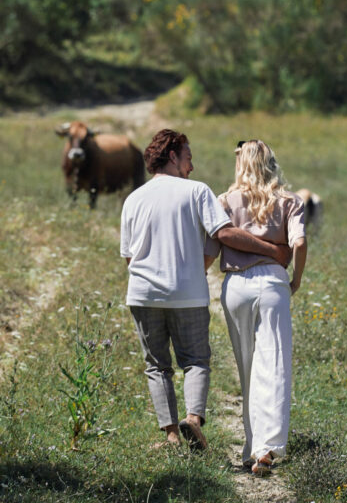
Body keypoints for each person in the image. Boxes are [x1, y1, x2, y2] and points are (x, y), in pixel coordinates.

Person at [120, 129, 291, 450]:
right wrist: (273, 251)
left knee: (157, 366)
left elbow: (130, 256)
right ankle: (194, 420)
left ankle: (171, 436)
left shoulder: (133, 199)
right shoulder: (197, 191)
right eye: (188, 158)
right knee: (195, 361)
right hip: (187, 294)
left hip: (142, 294)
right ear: (172, 156)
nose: (192, 167)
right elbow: (224, 234)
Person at [207, 139, 307, 476]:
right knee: (274, 362)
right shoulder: (290, 201)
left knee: (246, 367)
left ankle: (251, 446)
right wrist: (295, 280)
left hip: (236, 285)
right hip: (273, 283)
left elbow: (216, 243)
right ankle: (267, 448)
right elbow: (300, 242)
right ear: (271, 164)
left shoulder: (224, 200)